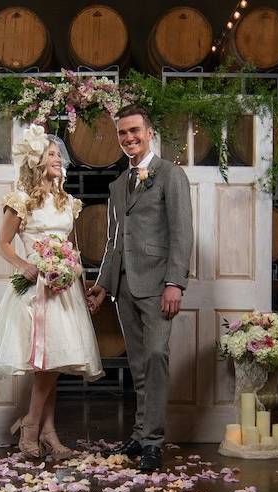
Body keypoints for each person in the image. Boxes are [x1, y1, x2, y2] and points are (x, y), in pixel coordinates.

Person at [0, 124, 104, 461]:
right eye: (51, 155)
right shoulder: (20, 199)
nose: (58, 160)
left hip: (64, 287)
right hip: (35, 288)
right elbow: (2, 244)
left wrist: (82, 286)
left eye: (59, 156)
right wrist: (24, 264)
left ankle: (42, 430)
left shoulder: (68, 202)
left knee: (56, 361)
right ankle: (35, 428)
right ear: (36, 160)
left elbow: (73, 251)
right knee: (45, 362)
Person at [86, 105, 194, 472]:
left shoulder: (170, 175)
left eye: (134, 131)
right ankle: (139, 432)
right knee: (138, 364)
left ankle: (152, 442)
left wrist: (175, 283)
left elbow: (182, 232)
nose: (129, 138)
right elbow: (113, 240)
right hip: (124, 288)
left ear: (149, 132)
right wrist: (102, 284)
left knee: (155, 357)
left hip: (158, 285)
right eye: (122, 133)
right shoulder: (118, 185)